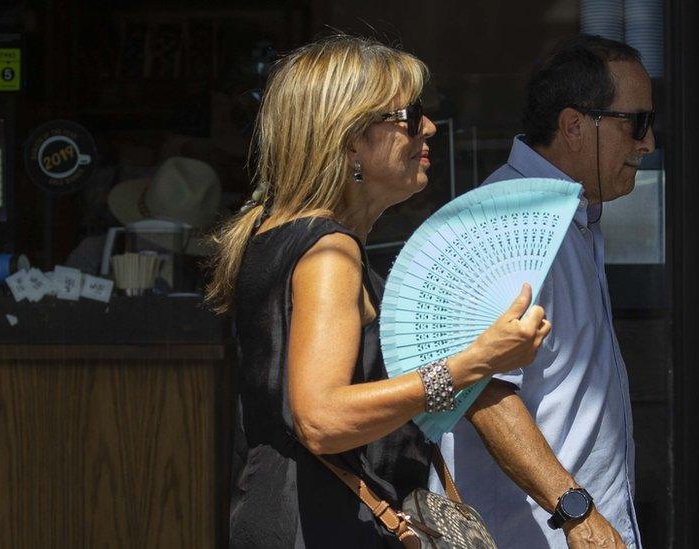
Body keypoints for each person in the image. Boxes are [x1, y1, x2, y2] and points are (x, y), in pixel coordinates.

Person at [205, 35, 552, 548]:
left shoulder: (277, 234)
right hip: (322, 528)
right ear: (349, 139)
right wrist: (473, 362)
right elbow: (321, 418)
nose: (428, 127)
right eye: (409, 116)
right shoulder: (330, 254)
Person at [439, 35, 656, 549]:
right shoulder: (510, 225)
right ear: (575, 125)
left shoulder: (567, 216)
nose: (647, 143)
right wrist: (577, 512)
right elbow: (482, 389)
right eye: (637, 124)